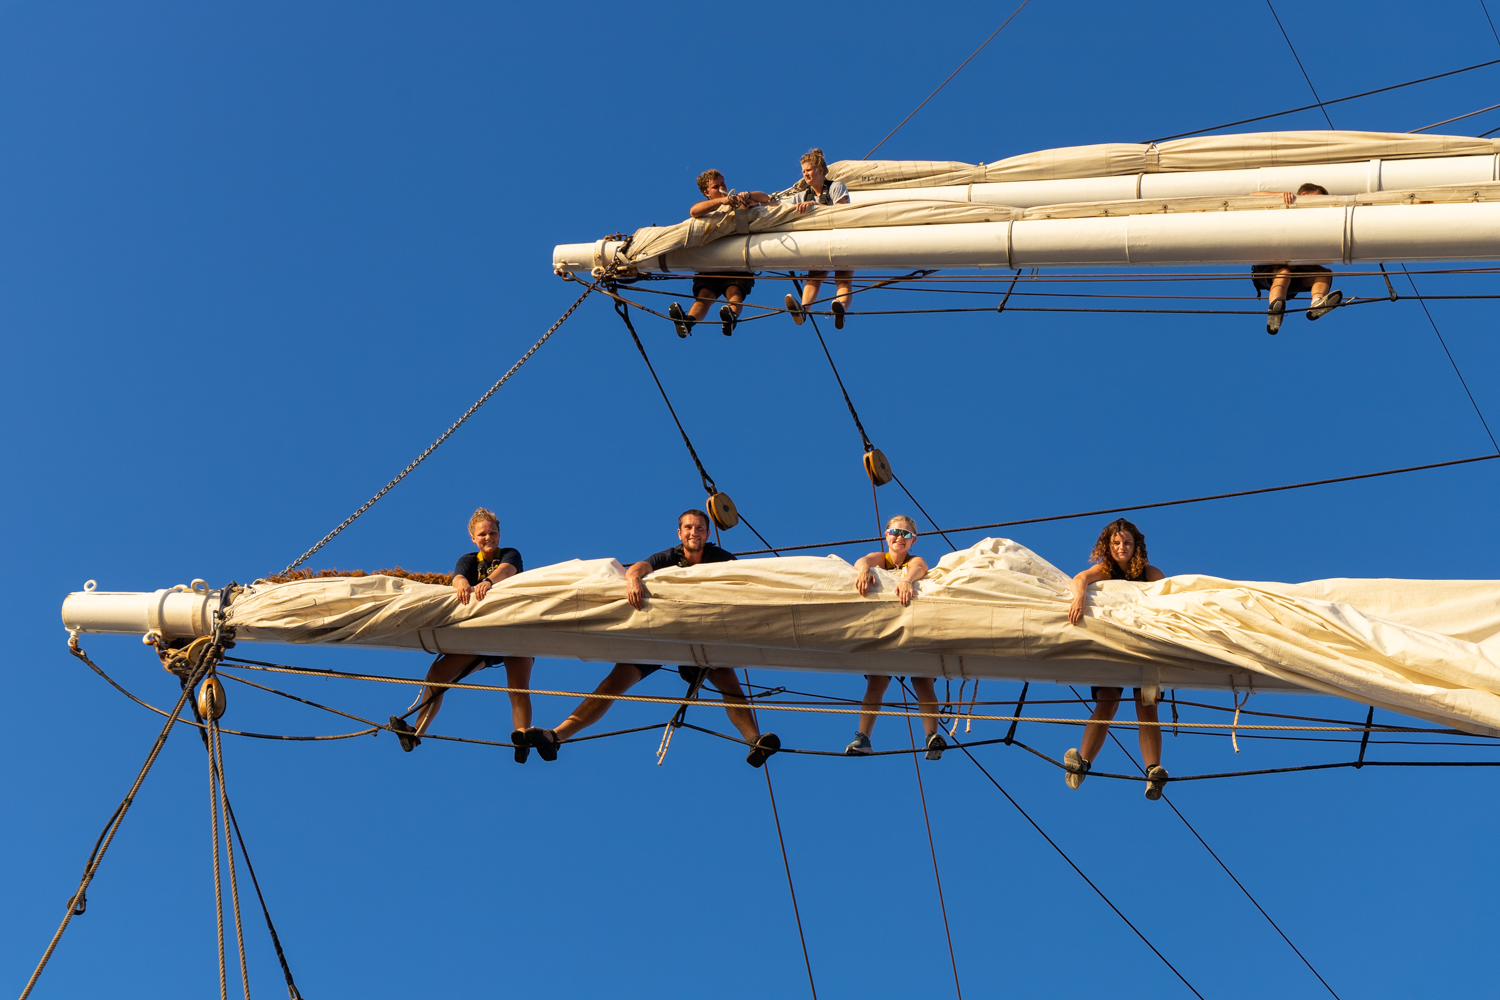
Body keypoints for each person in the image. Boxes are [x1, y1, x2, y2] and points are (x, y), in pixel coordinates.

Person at [522, 509, 781, 767]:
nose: (694, 532)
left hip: (701, 637)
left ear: (708, 533)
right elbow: (639, 567)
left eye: (700, 528)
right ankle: (556, 736)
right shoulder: (669, 557)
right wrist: (634, 579)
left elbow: (747, 578)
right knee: (612, 684)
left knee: (731, 688)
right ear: (679, 533)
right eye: (688, 528)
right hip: (663, 636)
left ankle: (754, 741)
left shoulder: (721, 559)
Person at [389, 509, 536, 762]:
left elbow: (507, 570)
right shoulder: (469, 560)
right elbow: (458, 577)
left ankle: (522, 737)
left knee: (517, 687)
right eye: (483, 534)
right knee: (437, 675)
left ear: (500, 534)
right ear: (473, 538)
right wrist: (461, 583)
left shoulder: (510, 554)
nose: (488, 537)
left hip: (515, 629)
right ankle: (415, 734)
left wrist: (488, 582)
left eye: (493, 533)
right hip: (483, 635)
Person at [1062, 518, 1169, 799]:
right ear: (1107, 547)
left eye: (1127, 543)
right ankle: (1082, 763)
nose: (1122, 547)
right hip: (1113, 645)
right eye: (1116, 543)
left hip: (1145, 644)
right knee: (1107, 701)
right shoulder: (1104, 571)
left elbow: (1168, 598)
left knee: (1147, 705)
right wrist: (1079, 597)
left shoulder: (1150, 573)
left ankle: (1153, 772)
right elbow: (1080, 579)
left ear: (1137, 546)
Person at [844, 515, 946, 760]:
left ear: (913, 541)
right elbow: (863, 561)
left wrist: (907, 580)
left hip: (913, 628)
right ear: (886, 535)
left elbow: (920, 568)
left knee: (923, 682)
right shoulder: (881, 559)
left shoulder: (914, 561)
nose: (900, 537)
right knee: (876, 683)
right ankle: (863, 738)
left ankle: (932, 736)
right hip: (885, 630)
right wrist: (865, 570)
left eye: (906, 534)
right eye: (895, 532)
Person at [668, 170, 771, 338]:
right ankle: (687, 322)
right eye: (716, 187)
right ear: (706, 193)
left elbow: (765, 198)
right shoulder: (707, 207)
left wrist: (748, 196)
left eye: (723, 184)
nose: (722, 188)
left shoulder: (738, 200)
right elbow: (694, 211)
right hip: (711, 260)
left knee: (734, 293)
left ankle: (731, 318)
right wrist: (722, 201)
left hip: (737, 256)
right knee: (704, 297)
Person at [1249, 183, 1342, 335]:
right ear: (1303, 195)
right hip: (1269, 271)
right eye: (1318, 197)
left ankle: (1317, 303)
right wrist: (1278, 195)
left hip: (1296, 273)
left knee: (1324, 274)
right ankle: (1275, 311)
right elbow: (1253, 196)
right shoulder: (1285, 205)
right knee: (1284, 273)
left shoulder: (1315, 221)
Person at [777, 149, 855, 329]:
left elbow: (841, 211)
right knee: (814, 276)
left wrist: (815, 206)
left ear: (820, 170)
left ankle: (841, 309)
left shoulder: (836, 187)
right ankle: (803, 310)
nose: (805, 174)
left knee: (843, 277)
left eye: (809, 170)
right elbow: (780, 207)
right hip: (819, 241)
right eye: (803, 171)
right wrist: (759, 203)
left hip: (841, 238)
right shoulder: (802, 196)